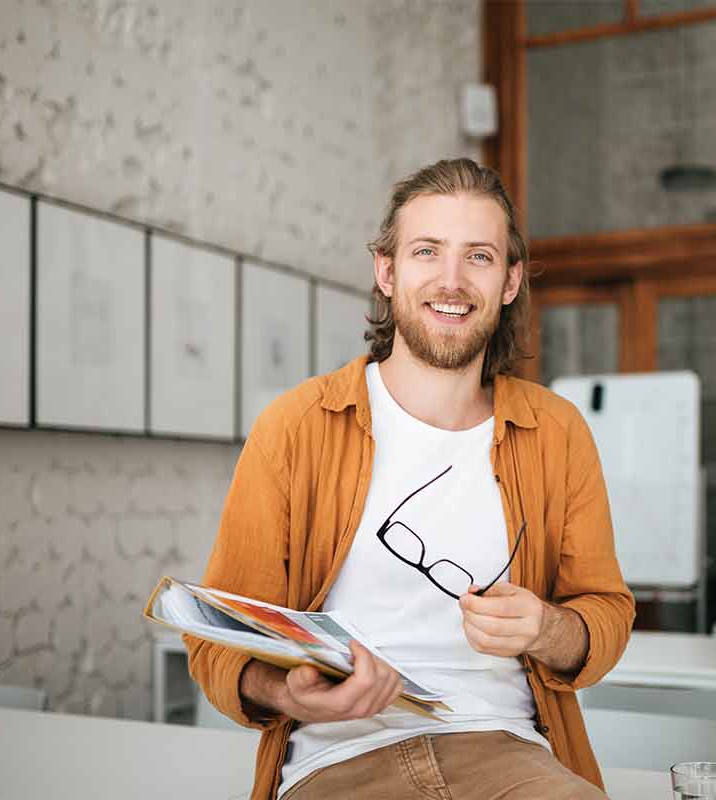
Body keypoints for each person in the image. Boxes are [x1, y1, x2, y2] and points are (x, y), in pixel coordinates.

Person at [185, 158, 635, 800]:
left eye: (478, 257)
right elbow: (222, 641)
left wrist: (544, 628)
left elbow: (606, 613)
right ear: (387, 270)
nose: (451, 282)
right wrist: (288, 691)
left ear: (509, 282)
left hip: (507, 753)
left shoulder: (557, 432)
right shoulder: (294, 428)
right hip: (338, 760)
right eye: (427, 252)